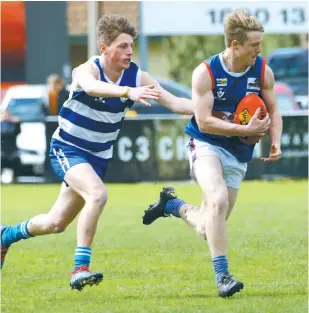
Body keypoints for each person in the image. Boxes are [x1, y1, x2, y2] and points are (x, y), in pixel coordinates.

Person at [0, 15, 194, 291]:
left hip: (95, 159)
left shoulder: (137, 77)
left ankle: (5, 235)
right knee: (98, 194)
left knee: (56, 223)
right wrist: (129, 92)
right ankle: (80, 268)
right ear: (103, 48)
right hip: (67, 149)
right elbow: (91, 88)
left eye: (131, 46)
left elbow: (175, 103)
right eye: (122, 46)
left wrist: (211, 109)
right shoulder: (86, 70)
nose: (129, 52)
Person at [142, 9, 282, 298]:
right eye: (254, 45)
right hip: (205, 143)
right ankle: (223, 277)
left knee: (209, 226)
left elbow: (275, 109)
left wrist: (274, 139)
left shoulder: (262, 70)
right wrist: (242, 128)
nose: (259, 50)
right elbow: (204, 120)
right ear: (234, 44)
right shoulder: (205, 73)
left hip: (238, 152)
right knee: (216, 198)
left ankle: (172, 205)